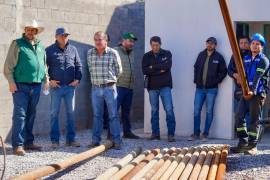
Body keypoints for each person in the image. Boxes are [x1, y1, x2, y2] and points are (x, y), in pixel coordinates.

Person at [3, 20, 49, 156]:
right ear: (25, 31)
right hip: (20, 85)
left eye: (33, 30)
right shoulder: (17, 44)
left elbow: (43, 65)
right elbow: (8, 67)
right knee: (20, 114)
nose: (30, 32)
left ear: (36, 32)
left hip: (36, 85)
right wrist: (11, 82)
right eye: (28, 30)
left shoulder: (41, 46)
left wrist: (46, 79)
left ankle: (28, 142)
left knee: (31, 114)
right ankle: (18, 145)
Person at [231, 33, 270, 155]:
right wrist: (243, 88)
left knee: (254, 120)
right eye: (253, 43)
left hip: (257, 93)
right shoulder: (247, 58)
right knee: (238, 116)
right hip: (246, 92)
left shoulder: (263, 60)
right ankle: (243, 142)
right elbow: (244, 76)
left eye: (258, 44)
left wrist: (252, 90)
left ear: (261, 47)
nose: (254, 46)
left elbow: (258, 77)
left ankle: (253, 146)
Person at [46, 28, 82, 148]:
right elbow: (43, 67)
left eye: (66, 35)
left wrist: (77, 79)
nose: (64, 37)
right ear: (56, 37)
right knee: (54, 114)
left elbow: (78, 65)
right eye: (61, 36)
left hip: (70, 88)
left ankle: (70, 140)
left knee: (70, 113)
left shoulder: (73, 49)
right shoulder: (49, 50)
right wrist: (49, 80)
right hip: (56, 88)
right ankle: (55, 141)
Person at [87, 31, 122, 150]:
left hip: (109, 88)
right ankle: (95, 141)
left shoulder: (113, 53)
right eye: (95, 39)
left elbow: (119, 70)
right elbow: (90, 70)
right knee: (97, 115)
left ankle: (117, 141)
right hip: (95, 89)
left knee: (113, 115)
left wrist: (110, 81)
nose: (97, 42)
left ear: (105, 41)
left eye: (100, 39)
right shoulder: (90, 53)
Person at [189, 37, 227, 141]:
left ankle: (205, 134)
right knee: (196, 111)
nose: (209, 45)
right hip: (200, 88)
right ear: (206, 44)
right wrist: (196, 80)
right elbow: (196, 67)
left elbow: (224, 72)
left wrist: (215, 81)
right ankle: (196, 133)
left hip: (212, 89)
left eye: (212, 43)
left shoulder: (219, 57)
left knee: (209, 111)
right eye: (208, 43)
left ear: (215, 45)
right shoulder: (201, 55)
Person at [142, 36, 176, 142]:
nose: (155, 47)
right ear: (150, 45)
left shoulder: (167, 53)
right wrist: (159, 68)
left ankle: (171, 135)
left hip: (165, 86)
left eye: (156, 45)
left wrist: (152, 67)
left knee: (169, 110)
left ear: (160, 44)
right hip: (152, 87)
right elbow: (145, 71)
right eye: (153, 45)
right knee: (154, 111)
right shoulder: (146, 56)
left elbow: (167, 67)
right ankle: (155, 134)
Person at [112, 32, 140, 139]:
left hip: (129, 86)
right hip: (118, 86)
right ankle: (112, 134)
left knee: (126, 112)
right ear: (123, 41)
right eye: (130, 41)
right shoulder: (115, 51)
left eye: (133, 42)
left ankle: (127, 132)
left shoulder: (131, 53)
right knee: (114, 111)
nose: (132, 43)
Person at [227, 35, 251, 129]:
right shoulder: (235, 55)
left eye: (245, 43)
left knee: (250, 113)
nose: (243, 45)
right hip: (239, 89)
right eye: (241, 43)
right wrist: (235, 75)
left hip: (251, 89)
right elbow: (229, 70)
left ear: (249, 44)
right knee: (239, 113)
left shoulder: (252, 55)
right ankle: (241, 135)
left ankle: (250, 135)